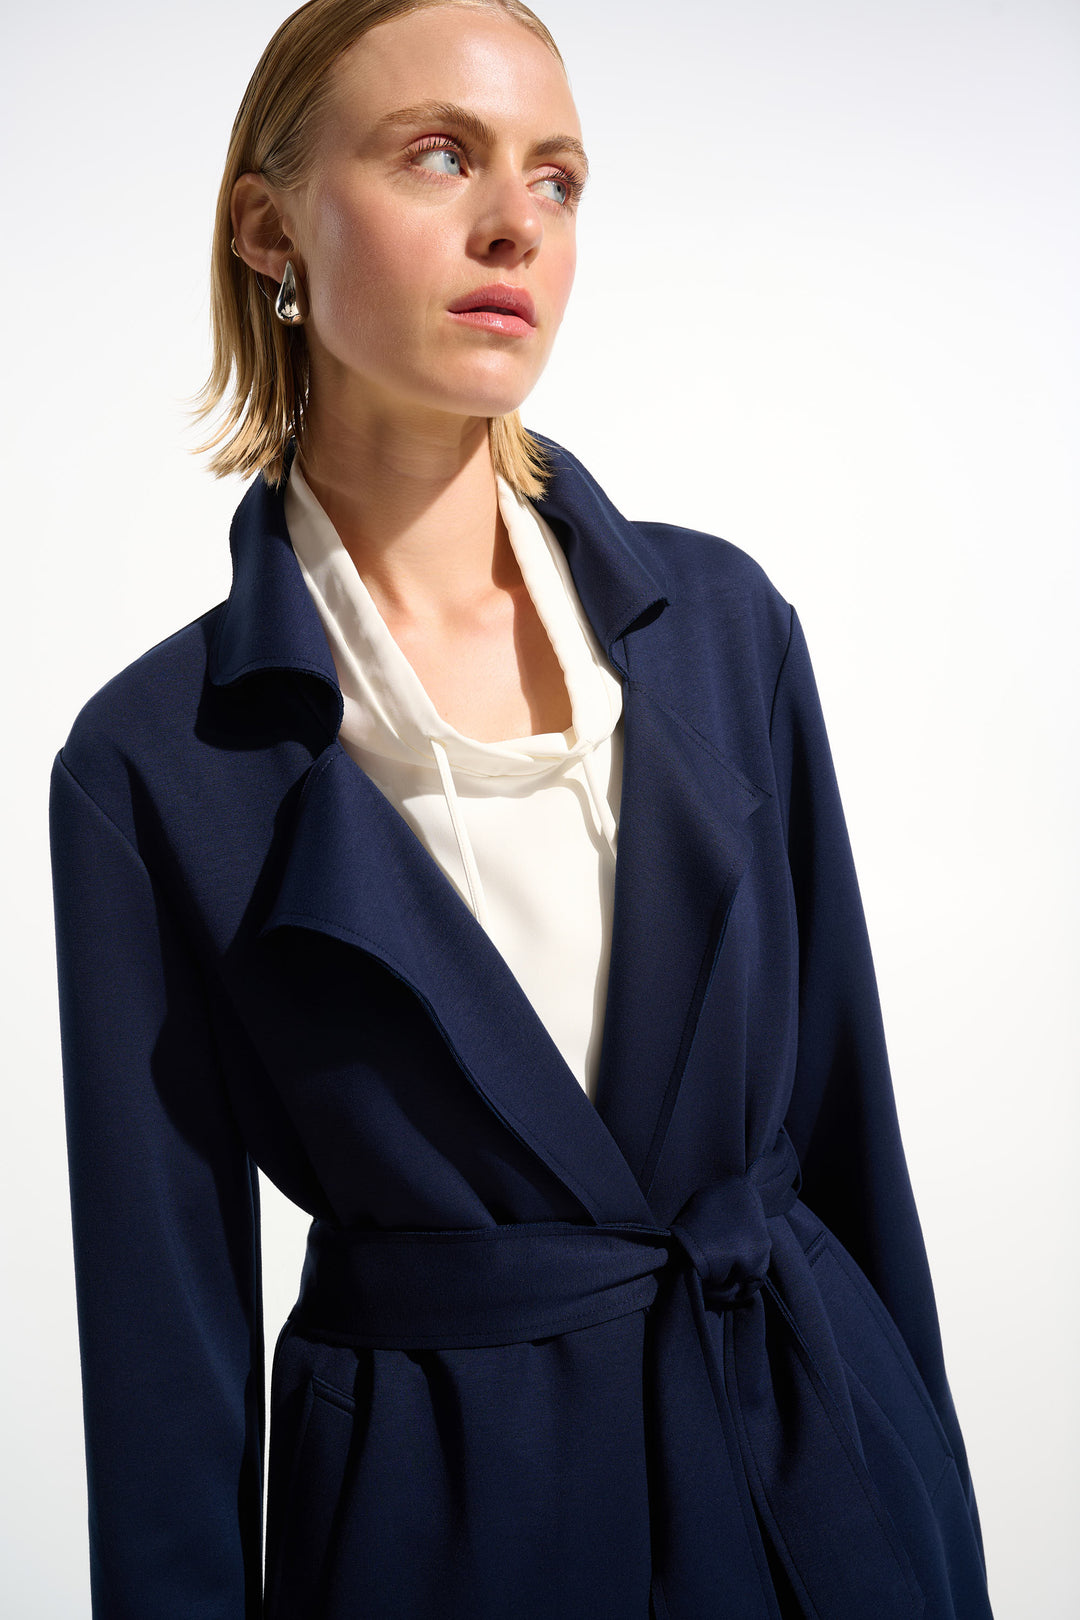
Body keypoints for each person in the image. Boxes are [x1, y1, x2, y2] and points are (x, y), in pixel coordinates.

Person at [48, 2, 995, 1616]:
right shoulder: (154, 766)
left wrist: (934, 1539)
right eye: (440, 155)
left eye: (557, 178)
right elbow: (164, 1358)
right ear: (268, 225)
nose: (515, 224)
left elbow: (850, 1144)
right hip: (450, 1525)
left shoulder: (722, 630)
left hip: (809, 1485)